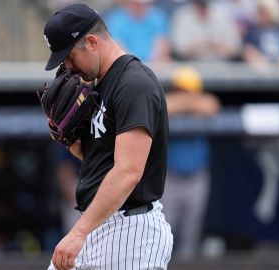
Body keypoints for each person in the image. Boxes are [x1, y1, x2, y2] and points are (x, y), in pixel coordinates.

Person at [42, 3, 173, 269]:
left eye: (68, 56)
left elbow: (128, 172)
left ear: (91, 42)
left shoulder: (134, 83)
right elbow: (100, 160)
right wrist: (72, 144)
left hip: (130, 232)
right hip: (98, 222)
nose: (66, 67)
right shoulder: (99, 85)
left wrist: (79, 232)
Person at [160, 66, 221, 261]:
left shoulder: (203, 101)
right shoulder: (164, 103)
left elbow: (212, 105)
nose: (185, 95)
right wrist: (189, 102)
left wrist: (187, 102)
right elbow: (164, 106)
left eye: (189, 91)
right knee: (164, 233)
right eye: (181, 90)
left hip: (197, 176)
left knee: (190, 235)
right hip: (170, 177)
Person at [170, 0, 241, 61]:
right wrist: (201, 46)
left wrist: (217, 46)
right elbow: (179, 49)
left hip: (222, 66)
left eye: (204, 6)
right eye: (199, 6)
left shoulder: (223, 15)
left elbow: (235, 48)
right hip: (191, 67)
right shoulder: (182, 17)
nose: (202, 9)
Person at [242, 0, 279, 68]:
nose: (260, 15)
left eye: (263, 12)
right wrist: (261, 62)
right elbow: (248, 50)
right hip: (261, 68)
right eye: (259, 11)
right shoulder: (253, 31)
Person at [105, 0, 171, 63]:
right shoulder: (116, 19)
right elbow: (117, 45)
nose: (141, 7)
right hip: (127, 63)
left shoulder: (157, 16)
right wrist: (133, 62)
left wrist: (154, 59)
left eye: (144, 5)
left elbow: (162, 43)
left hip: (155, 62)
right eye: (137, 4)